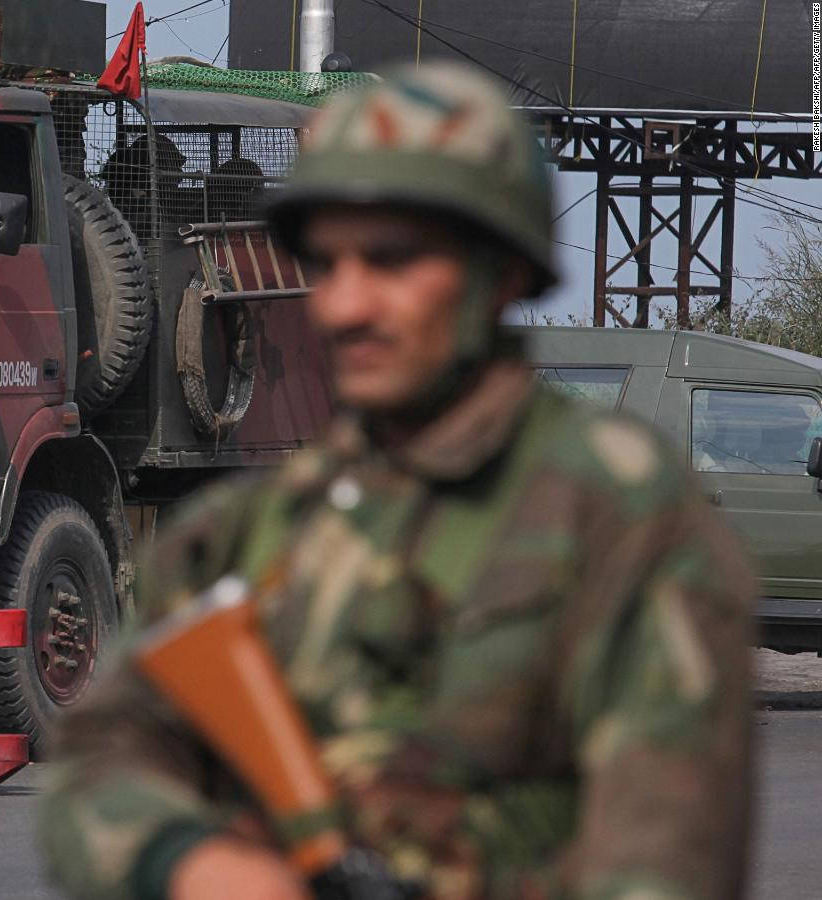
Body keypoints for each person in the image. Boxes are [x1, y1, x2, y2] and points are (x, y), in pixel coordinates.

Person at [40, 62, 753, 899]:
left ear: (505, 273)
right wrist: (194, 862)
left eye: (392, 261)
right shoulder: (243, 531)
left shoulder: (621, 519)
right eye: (328, 262)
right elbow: (97, 764)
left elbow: (669, 853)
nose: (345, 304)